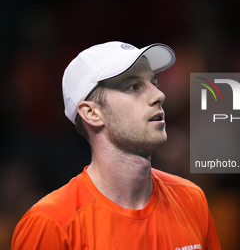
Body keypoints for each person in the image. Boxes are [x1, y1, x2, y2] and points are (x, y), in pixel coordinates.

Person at [11, 41, 221, 250]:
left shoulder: (191, 199)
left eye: (154, 83)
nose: (159, 95)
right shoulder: (50, 223)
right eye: (134, 86)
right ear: (92, 113)